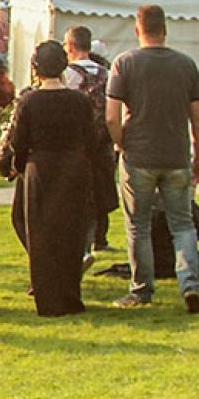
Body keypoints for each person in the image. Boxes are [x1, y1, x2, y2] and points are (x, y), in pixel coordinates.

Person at [107, 5, 199, 313]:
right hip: (176, 153)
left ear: (137, 30)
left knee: (138, 225)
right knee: (183, 223)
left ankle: (141, 289)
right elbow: (198, 117)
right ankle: (189, 284)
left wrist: (122, 144)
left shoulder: (124, 64)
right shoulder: (186, 65)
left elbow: (111, 117)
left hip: (139, 154)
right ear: (165, 29)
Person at [10, 40, 101, 317]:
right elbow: (91, 138)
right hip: (74, 167)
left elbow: (18, 141)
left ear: (36, 68)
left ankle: (48, 299)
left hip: (41, 168)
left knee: (42, 234)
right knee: (72, 233)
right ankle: (71, 296)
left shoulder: (29, 101)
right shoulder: (80, 100)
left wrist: (18, 166)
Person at [64, 25, 116, 253]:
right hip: (103, 141)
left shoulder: (68, 75)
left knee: (80, 192)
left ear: (71, 46)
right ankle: (101, 237)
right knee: (102, 188)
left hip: (78, 142)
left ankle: (82, 240)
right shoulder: (106, 73)